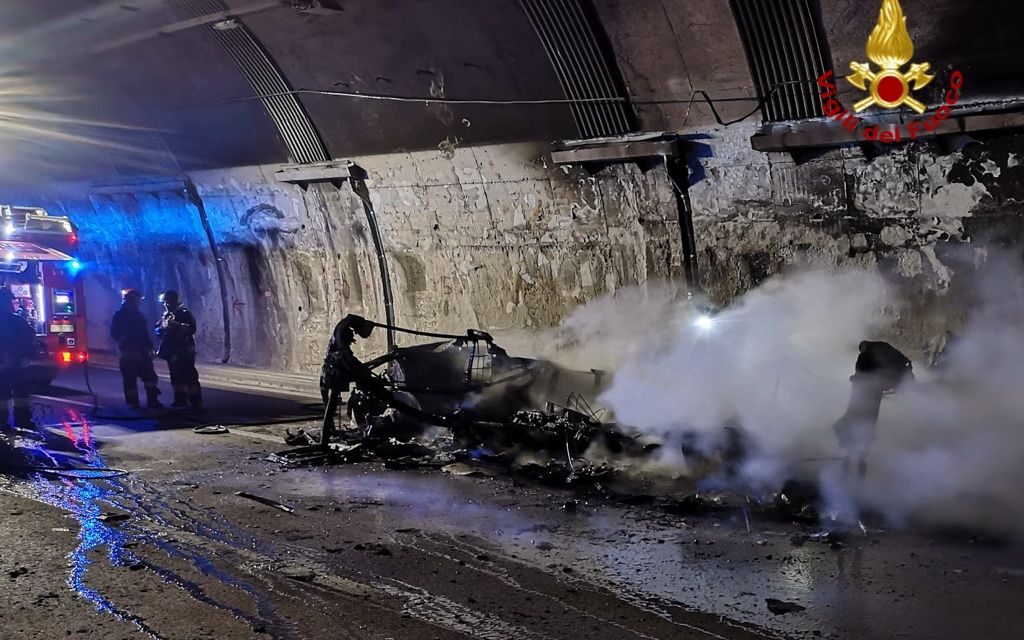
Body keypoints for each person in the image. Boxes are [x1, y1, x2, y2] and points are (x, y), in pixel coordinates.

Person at [832, 340, 914, 479]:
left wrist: (859, 379)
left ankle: (851, 469)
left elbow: (862, 373)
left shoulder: (867, 354)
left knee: (858, 426)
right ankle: (855, 469)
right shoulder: (882, 349)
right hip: (874, 393)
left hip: (868, 394)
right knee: (863, 429)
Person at [319, 314, 376, 444]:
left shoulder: (342, 327)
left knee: (329, 402)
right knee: (331, 403)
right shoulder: (342, 331)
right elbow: (346, 356)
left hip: (333, 367)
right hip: (335, 369)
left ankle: (327, 435)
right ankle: (326, 438)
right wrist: (360, 370)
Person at [110, 289, 162, 409]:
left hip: (141, 350)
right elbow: (114, 332)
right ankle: (133, 403)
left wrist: (149, 347)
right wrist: (124, 341)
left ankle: (152, 400)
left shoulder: (139, 315)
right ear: (130, 300)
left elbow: (144, 333)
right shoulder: (120, 316)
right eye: (137, 299)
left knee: (150, 376)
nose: (138, 302)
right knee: (130, 378)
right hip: (128, 351)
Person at [155, 290, 202, 408]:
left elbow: (191, 329)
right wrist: (162, 328)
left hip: (184, 350)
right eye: (164, 302)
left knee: (189, 375)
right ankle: (180, 399)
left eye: (167, 302)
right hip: (171, 351)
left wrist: (177, 325)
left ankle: (195, 400)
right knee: (175, 376)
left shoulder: (184, 314)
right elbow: (158, 330)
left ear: (173, 301)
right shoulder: (166, 315)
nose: (165, 305)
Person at [0, 286, 37, 429]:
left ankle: (3, 423)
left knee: (4, 395)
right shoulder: (18, 321)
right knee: (20, 394)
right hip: (17, 365)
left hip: (6, 365)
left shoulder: (15, 321)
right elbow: (30, 338)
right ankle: (23, 421)